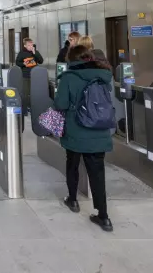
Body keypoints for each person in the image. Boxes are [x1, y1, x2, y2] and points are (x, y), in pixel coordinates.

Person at [53, 44, 114, 232]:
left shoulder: (69, 77)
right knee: (97, 172)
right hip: (99, 130)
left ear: (71, 59)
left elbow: (60, 104)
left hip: (76, 129)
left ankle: (72, 200)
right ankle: (103, 216)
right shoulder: (103, 76)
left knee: (72, 164)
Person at [15, 37, 43, 113]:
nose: (31, 46)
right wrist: (23, 64)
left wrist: (35, 53)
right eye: (29, 45)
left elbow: (41, 61)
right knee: (26, 93)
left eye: (32, 45)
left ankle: (34, 107)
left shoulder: (35, 52)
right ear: (25, 46)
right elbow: (17, 62)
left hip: (35, 75)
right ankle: (26, 108)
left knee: (34, 92)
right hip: (25, 75)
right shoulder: (21, 53)